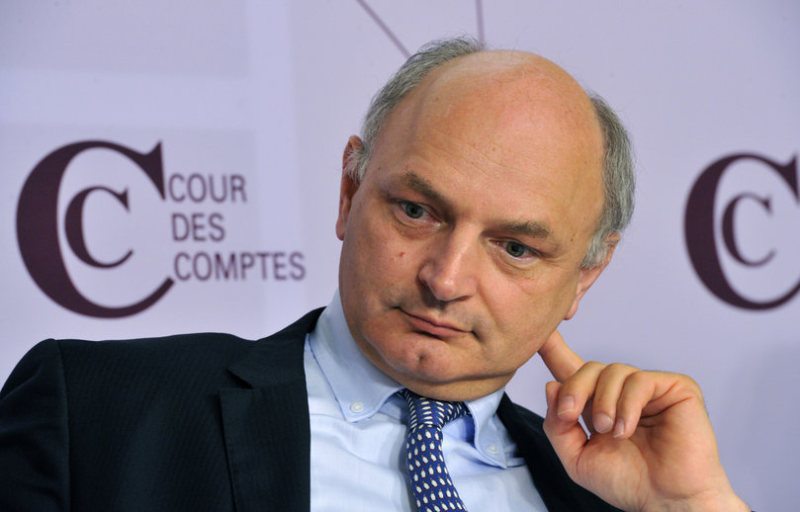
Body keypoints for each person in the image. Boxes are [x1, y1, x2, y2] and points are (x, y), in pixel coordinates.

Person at [0, 37, 748, 511]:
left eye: (516, 248)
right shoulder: (95, 410)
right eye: (417, 211)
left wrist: (696, 508)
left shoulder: (617, 496)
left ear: (586, 276)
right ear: (349, 192)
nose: (445, 280)